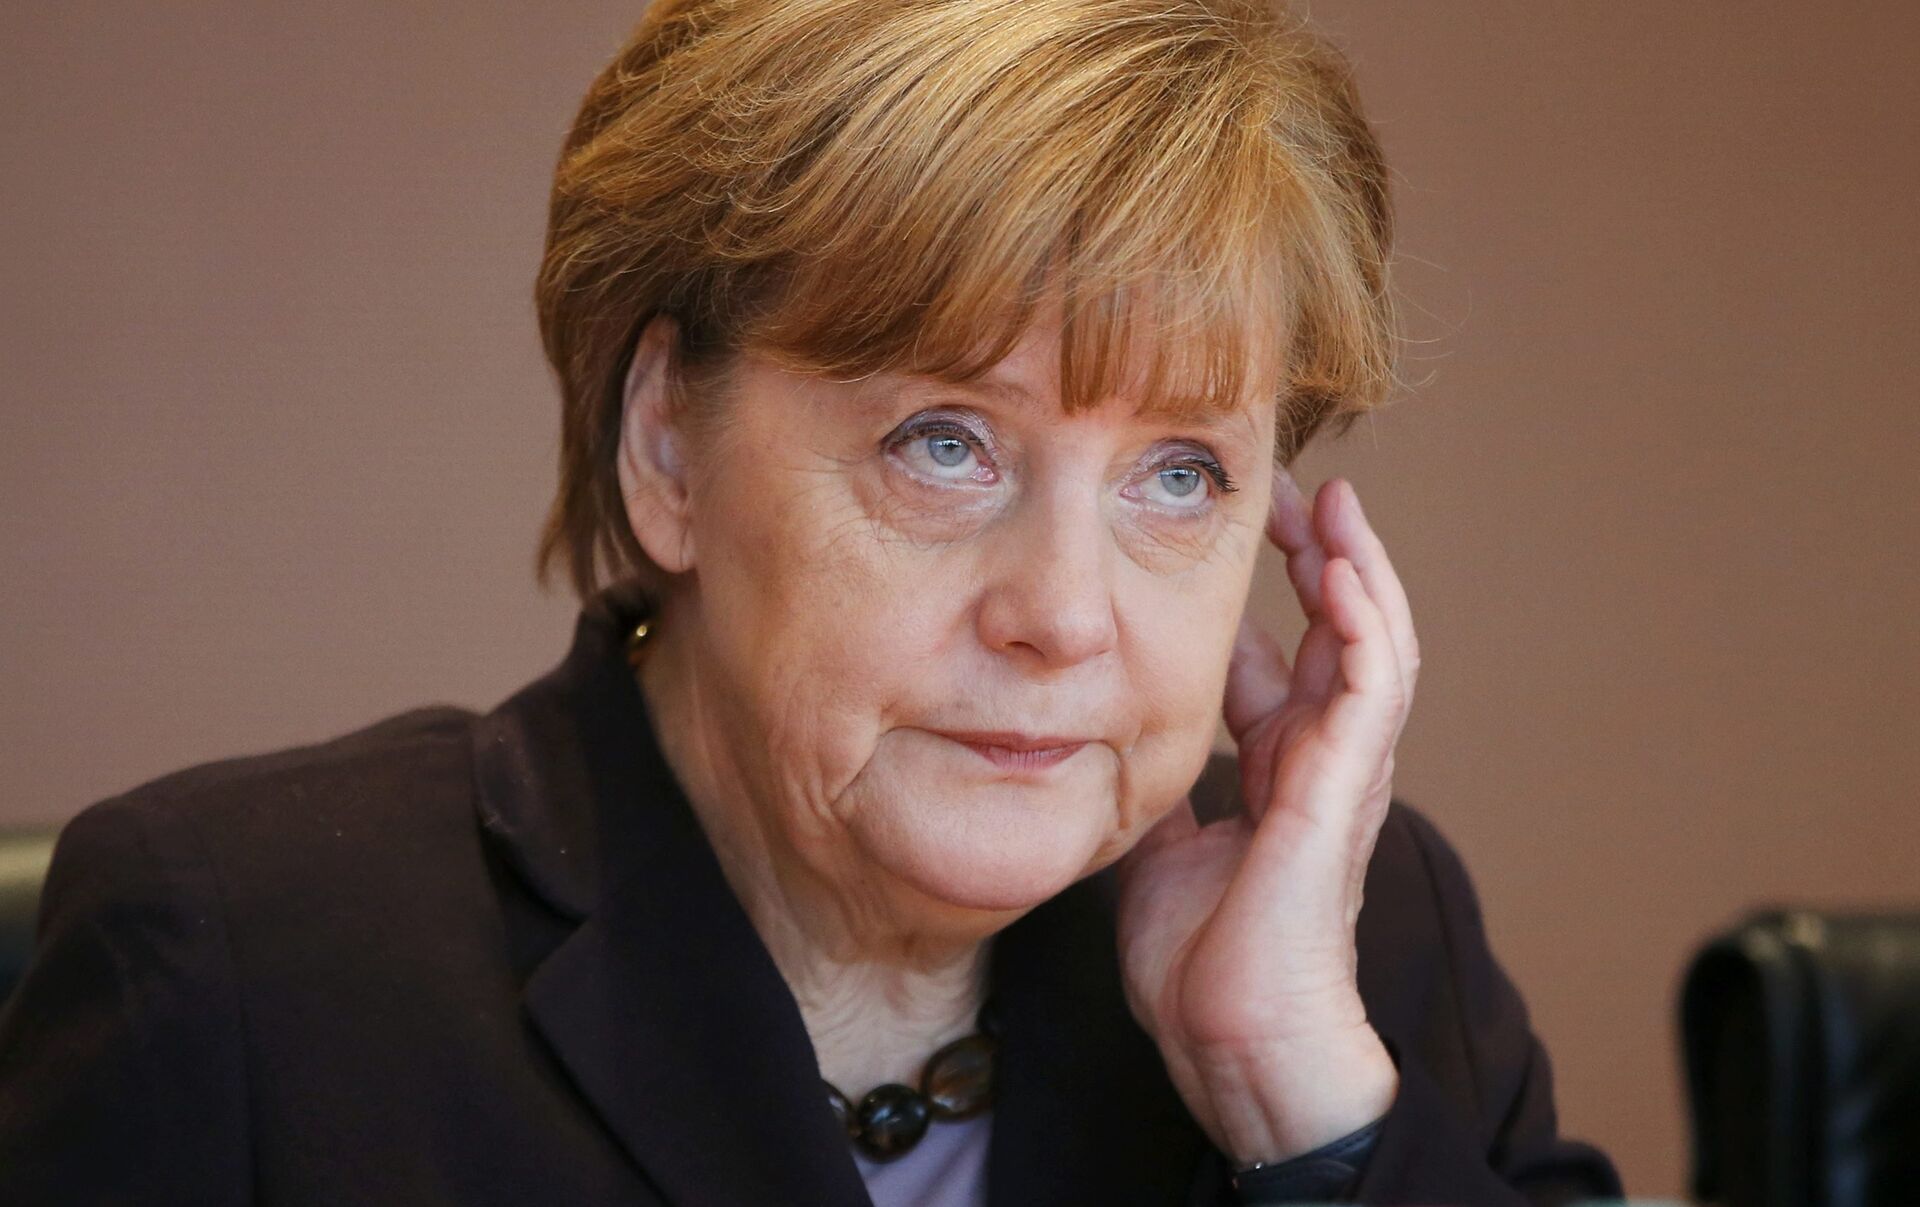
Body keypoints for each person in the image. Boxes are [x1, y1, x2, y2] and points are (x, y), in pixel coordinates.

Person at [0, 0, 1624, 1203]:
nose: (1065, 615)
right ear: (668, 448)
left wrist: (1304, 1116)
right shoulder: (242, 974)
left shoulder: (1358, 945)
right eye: (944, 444)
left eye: (1181, 474)